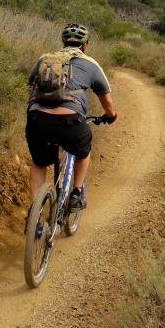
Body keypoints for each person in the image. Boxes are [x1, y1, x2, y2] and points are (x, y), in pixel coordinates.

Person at [25, 22, 117, 215]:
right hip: (70, 121)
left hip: (36, 120)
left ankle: (34, 210)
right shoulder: (91, 64)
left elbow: (32, 89)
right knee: (83, 152)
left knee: (39, 162)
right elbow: (106, 101)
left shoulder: (43, 59)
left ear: (63, 42)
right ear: (84, 45)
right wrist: (110, 116)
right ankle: (76, 193)